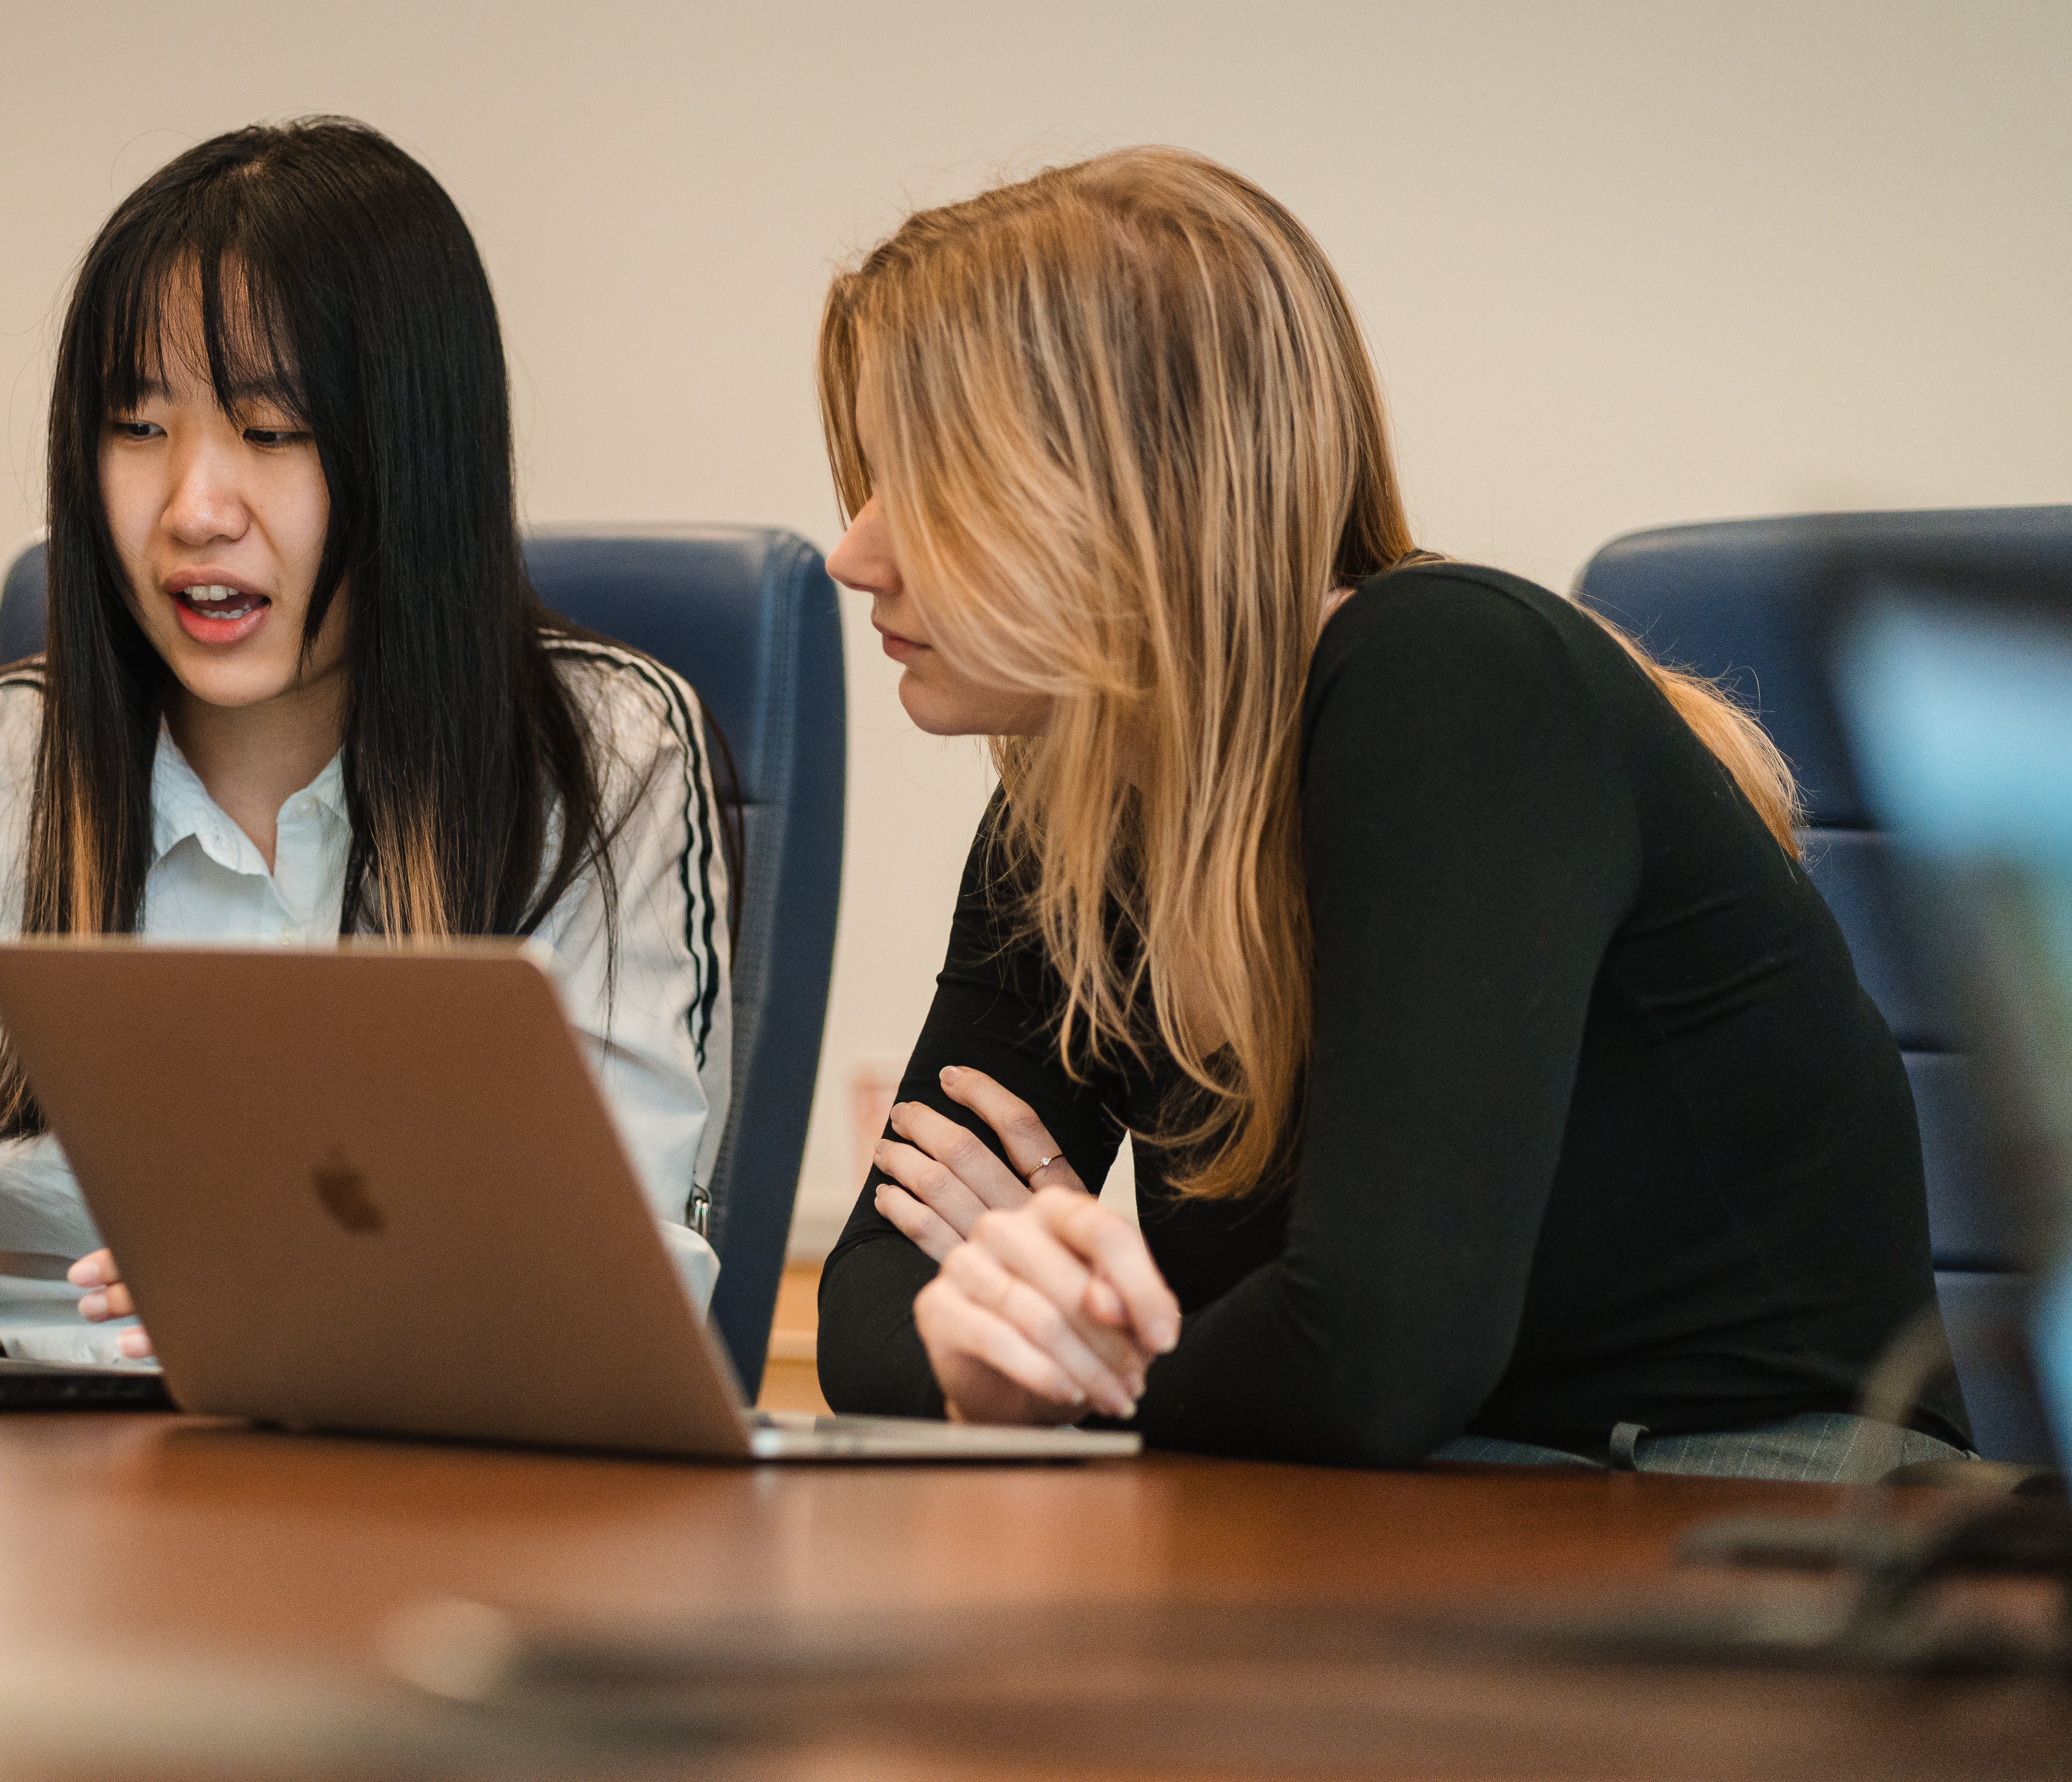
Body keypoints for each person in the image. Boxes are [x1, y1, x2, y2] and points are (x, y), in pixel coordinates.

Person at [811, 146, 1972, 1477]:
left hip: (1752, 1509)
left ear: (1122, 481)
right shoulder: (1072, 811)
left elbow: (1371, 1360)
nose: (853, 551)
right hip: (1394, 1504)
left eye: (922, 482)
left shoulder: (1451, 681)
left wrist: (1068, 1364)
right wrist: (994, 1346)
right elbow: (869, 1307)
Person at [0, 119, 728, 1365]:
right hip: (13, 1478)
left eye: (271, 431)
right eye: (138, 429)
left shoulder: (599, 763)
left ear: (416, 458)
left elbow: (632, 1297)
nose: (195, 510)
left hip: (413, 1488)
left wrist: (327, 1305)